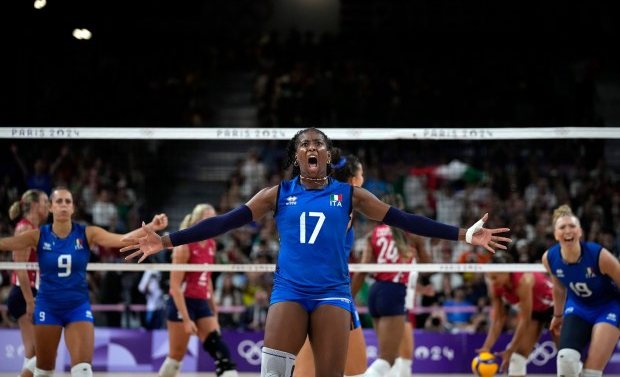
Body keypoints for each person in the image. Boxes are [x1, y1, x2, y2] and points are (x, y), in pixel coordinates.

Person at [121, 127, 511, 377]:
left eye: (318, 144)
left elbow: (405, 219)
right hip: (289, 292)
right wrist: (168, 240)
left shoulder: (349, 195)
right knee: (273, 373)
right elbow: (223, 221)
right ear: (296, 156)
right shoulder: (277, 193)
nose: (311, 147)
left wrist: (464, 235)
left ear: (326, 155)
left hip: (333, 294)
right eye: (304, 143)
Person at [0, 187, 168, 377]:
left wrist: (151, 227)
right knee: (43, 371)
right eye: (59, 201)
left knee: (83, 370)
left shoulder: (87, 233)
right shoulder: (38, 235)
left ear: (73, 209)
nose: (64, 205)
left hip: (77, 306)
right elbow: (5, 244)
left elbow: (121, 240)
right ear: (51, 208)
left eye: (68, 202)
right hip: (48, 306)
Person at [293, 147, 367, 377]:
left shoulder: (318, 200)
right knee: (354, 370)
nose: (364, 179)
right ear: (354, 179)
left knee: (351, 368)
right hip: (327, 290)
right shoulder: (343, 208)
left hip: (312, 288)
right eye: (362, 174)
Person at [350, 192, 432, 377]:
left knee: (386, 354)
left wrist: (348, 297)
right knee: (389, 357)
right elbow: (428, 268)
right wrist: (426, 246)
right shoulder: (412, 235)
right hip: (394, 291)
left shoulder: (373, 235)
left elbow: (362, 269)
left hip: (375, 292)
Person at [158, 203, 238, 377]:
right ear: (197, 221)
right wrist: (187, 319)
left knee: (219, 349)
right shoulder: (184, 246)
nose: (214, 222)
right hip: (182, 303)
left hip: (201, 301)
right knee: (175, 357)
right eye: (208, 218)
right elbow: (175, 286)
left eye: (215, 218)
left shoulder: (211, 244)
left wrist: (214, 309)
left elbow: (206, 278)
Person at [542, 204, 620, 377]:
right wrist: (557, 315)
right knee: (565, 359)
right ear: (556, 234)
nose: (567, 230)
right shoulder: (550, 257)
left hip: (608, 308)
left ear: (580, 232)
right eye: (562, 227)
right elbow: (559, 288)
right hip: (578, 307)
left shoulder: (598, 255)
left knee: (591, 372)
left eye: (572, 226)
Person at [477, 251, 554, 377]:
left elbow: (524, 319)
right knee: (516, 358)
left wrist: (511, 348)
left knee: (566, 356)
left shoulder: (524, 280)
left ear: (506, 272)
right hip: (535, 311)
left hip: (555, 307)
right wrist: (486, 347)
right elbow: (498, 319)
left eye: (494, 277)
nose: (492, 282)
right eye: (489, 278)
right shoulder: (495, 286)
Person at [7, 189, 50, 377]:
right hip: (24, 294)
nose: (48, 206)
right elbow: (20, 268)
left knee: (32, 353)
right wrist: (30, 301)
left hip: (29, 293)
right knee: (40, 354)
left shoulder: (34, 229)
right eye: (45, 202)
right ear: (34, 206)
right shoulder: (25, 229)